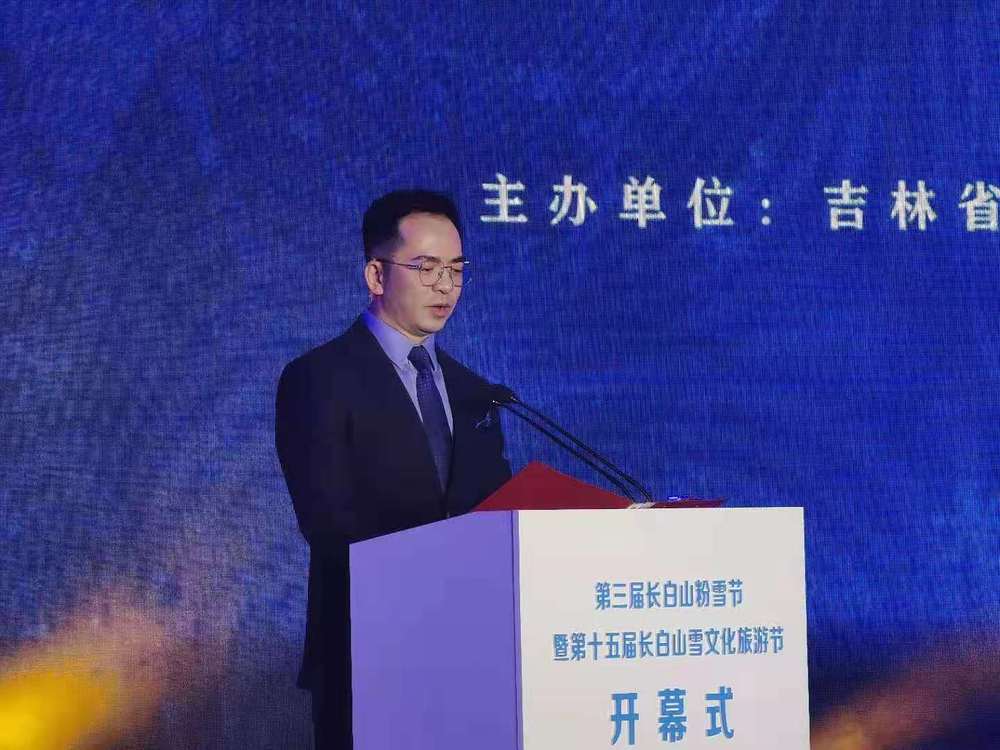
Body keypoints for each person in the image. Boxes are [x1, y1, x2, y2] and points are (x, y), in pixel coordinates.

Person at [274, 190, 512, 750]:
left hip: (473, 661)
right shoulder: (319, 378)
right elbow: (329, 522)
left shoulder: (475, 391)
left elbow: (496, 512)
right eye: (426, 268)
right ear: (376, 275)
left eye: (456, 269)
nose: (445, 285)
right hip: (368, 656)